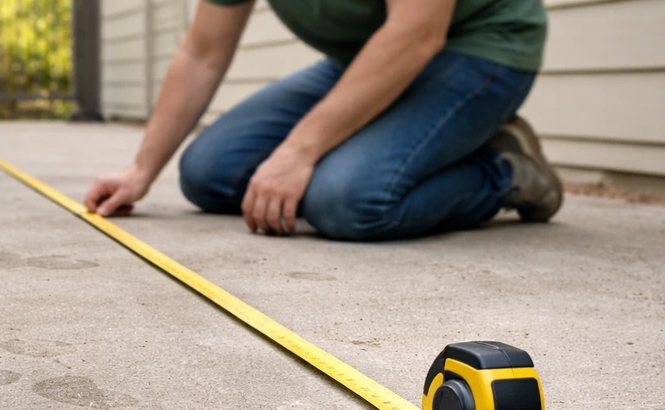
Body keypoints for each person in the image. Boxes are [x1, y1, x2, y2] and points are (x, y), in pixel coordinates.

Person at [84, 0, 563, 241]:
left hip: (478, 48)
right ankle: (378, 137)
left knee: (349, 200)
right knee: (208, 172)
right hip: (365, 57)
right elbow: (202, 52)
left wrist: (299, 151)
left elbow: (417, 32)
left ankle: (505, 169)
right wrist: (141, 170)